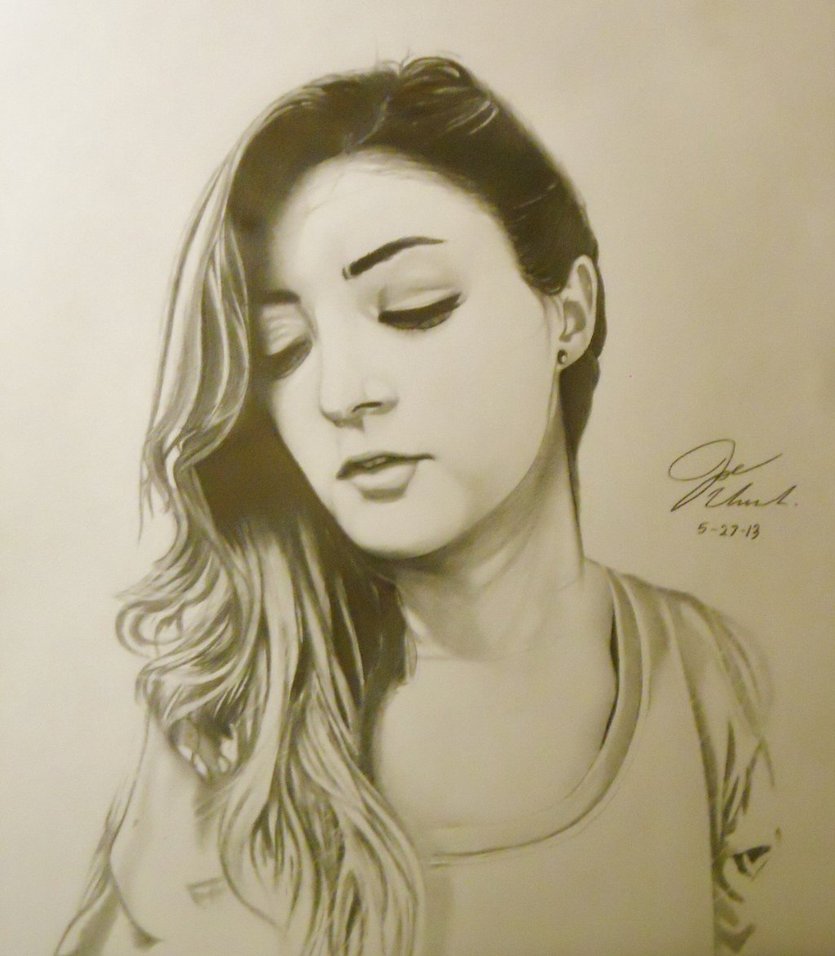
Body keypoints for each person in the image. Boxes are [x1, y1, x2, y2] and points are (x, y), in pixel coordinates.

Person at [57, 57, 777, 956]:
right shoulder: (217, 741)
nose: (341, 394)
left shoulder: (718, 687)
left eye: (413, 308)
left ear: (569, 314)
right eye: (283, 348)